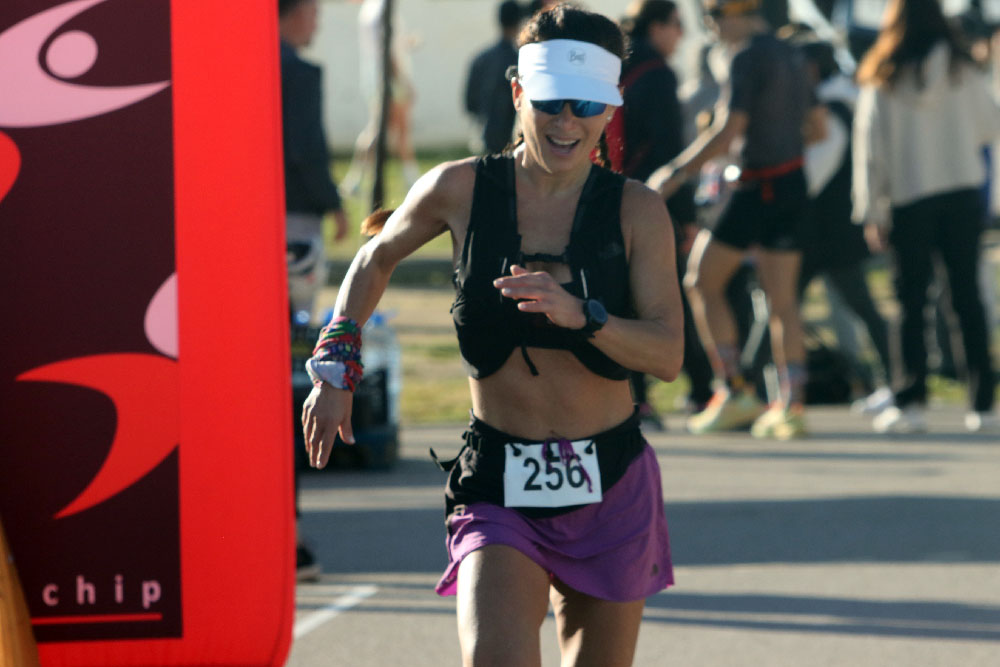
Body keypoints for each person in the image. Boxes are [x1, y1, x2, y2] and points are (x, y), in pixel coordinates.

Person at [301, 6, 683, 664]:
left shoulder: (637, 211)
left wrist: (584, 314)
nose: (567, 122)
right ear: (518, 93)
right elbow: (375, 256)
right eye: (550, 102)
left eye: (587, 105)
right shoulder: (458, 187)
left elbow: (669, 353)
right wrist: (337, 365)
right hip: (500, 482)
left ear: (609, 107)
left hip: (611, 483)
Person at [648, 0, 826, 439]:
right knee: (782, 302)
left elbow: (729, 130)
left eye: (711, 16)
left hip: (753, 187)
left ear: (736, 11)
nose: (708, 28)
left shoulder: (746, 56)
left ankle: (734, 390)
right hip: (791, 183)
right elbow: (818, 128)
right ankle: (791, 406)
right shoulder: (792, 52)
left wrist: (673, 174)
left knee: (700, 280)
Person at [852, 0, 1000, 433]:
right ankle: (982, 403)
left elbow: (870, 148)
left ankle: (911, 399)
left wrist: (871, 209)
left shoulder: (884, 74)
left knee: (910, 302)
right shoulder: (962, 69)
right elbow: (990, 124)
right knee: (966, 298)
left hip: (908, 197)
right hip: (959, 191)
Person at [614, 0, 714, 426]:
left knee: (622, 299)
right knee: (669, 299)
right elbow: (670, 150)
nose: (682, 34)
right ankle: (703, 388)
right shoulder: (657, 75)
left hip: (608, 196)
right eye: (678, 24)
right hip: (653, 203)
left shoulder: (615, 67)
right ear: (657, 25)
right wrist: (686, 215)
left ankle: (636, 396)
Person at [279, 0, 351, 581]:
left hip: (240, 223)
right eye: (313, 11)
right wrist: (332, 201)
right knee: (288, 359)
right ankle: (289, 533)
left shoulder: (242, 66)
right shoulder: (295, 71)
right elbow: (304, 144)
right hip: (292, 225)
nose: (318, 23)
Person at [789, 33, 895, 414]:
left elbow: (811, 176)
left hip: (824, 233)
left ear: (812, 68)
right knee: (856, 308)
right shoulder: (843, 101)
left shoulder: (831, 109)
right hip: (832, 232)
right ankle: (890, 381)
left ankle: (893, 381)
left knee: (782, 309)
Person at [341, 0, 422, 192]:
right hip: (386, 76)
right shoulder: (379, 9)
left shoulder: (372, 9)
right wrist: (402, 80)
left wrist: (406, 43)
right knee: (385, 128)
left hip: (381, 74)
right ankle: (407, 177)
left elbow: (390, 43)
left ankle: (359, 179)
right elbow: (385, 50)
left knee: (389, 127)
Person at [464, 1, 522, 155]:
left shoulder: (481, 58)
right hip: (513, 141)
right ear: (520, 21)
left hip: (485, 137)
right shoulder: (521, 60)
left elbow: (469, 103)